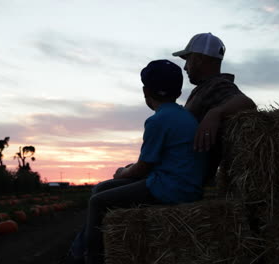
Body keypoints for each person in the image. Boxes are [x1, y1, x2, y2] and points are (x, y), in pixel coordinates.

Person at [76, 59, 207, 264]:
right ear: (179, 92)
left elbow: (142, 169)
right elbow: (151, 163)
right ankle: (81, 250)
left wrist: (122, 172)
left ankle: (89, 258)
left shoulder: (157, 121)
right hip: (182, 184)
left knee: (97, 201)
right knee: (101, 188)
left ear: (146, 92)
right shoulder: (185, 116)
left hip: (168, 189)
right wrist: (128, 170)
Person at [172, 32, 257, 185]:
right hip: (181, 172)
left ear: (200, 59)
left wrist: (216, 113)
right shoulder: (205, 88)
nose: (185, 67)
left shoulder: (218, 85)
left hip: (187, 178)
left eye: (188, 60)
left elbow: (247, 103)